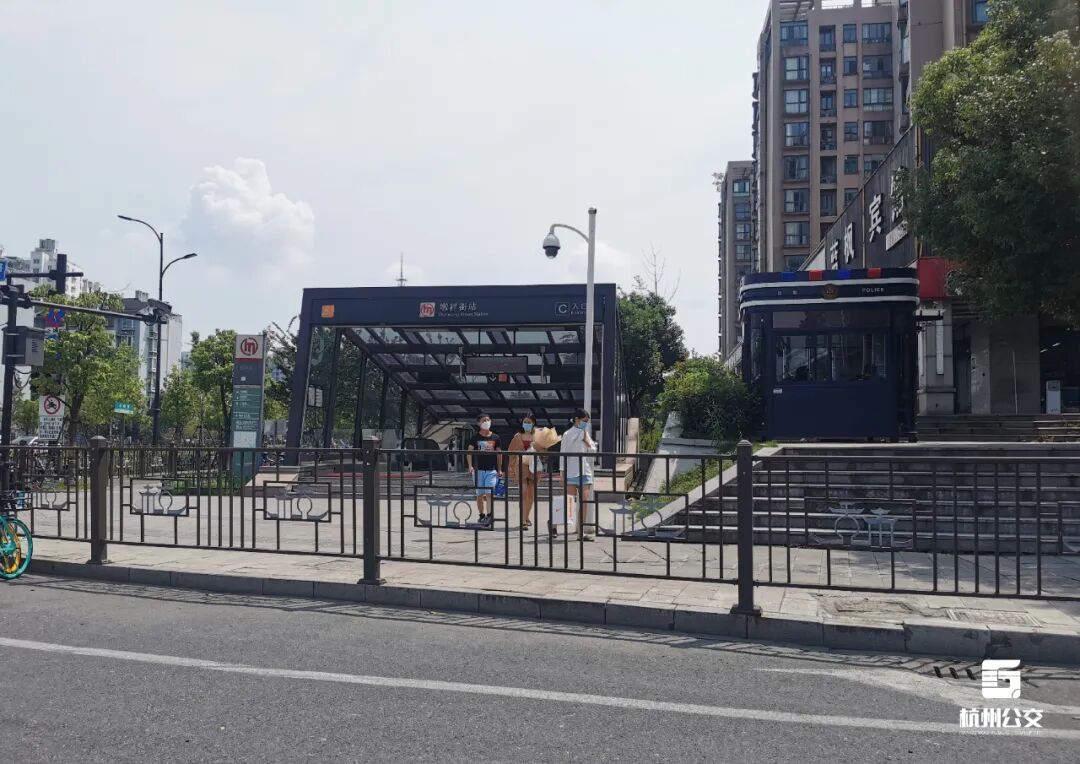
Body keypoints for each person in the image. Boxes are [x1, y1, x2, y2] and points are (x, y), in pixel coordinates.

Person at [561, 408, 597, 541]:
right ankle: (554, 523)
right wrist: (562, 472)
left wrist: (586, 441)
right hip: (571, 471)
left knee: (584, 502)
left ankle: (580, 532)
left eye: (587, 421)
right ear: (576, 419)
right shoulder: (567, 434)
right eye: (584, 421)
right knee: (569, 503)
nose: (585, 423)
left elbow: (593, 451)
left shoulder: (585, 433)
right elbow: (563, 453)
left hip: (585, 471)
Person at [466, 413, 502, 527]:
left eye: (488, 420)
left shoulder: (496, 437)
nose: (486, 422)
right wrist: (470, 466)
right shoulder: (475, 437)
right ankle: (482, 515)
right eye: (483, 420)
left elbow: (499, 454)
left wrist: (499, 469)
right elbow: (469, 452)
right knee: (480, 495)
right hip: (478, 470)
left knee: (489, 493)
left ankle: (489, 516)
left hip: (491, 470)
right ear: (478, 423)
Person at [507, 413, 539, 529]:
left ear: (533, 423)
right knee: (523, 492)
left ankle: (526, 516)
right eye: (525, 422)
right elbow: (511, 452)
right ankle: (523, 520)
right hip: (520, 465)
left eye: (529, 422)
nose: (527, 424)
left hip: (534, 466)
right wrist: (511, 467)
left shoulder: (538, 435)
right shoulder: (517, 436)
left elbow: (544, 451)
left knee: (531, 494)